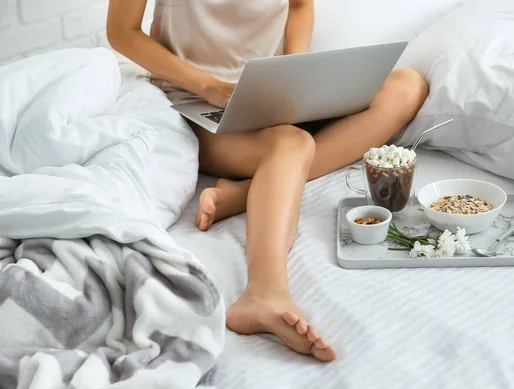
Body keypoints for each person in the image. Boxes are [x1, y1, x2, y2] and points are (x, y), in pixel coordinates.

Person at [107, 0, 429, 362]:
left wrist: (294, 74)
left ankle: (249, 192)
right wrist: (209, 85)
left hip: (275, 97)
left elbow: (299, 6)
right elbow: (122, 32)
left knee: (407, 86)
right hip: (195, 101)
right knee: (292, 143)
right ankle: (263, 293)